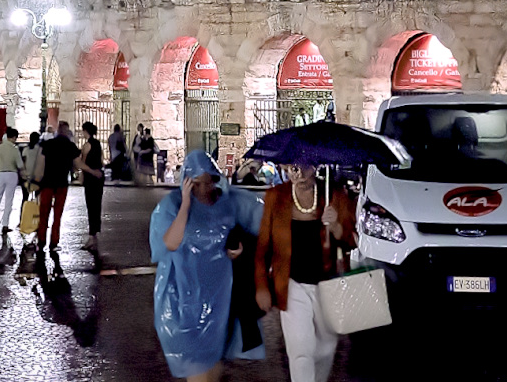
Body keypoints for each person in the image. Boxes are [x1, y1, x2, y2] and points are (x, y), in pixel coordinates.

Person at [150, 150, 266, 381]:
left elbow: (260, 225)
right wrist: (185, 205)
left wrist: (238, 250)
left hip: (219, 302)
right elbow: (170, 243)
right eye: (196, 183)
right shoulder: (171, 206)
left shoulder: (227, 204)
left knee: (212, 369)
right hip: (183, 301)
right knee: (199, 370)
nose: (204, 189)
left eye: (208, 182)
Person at [255, 163, 358, 382]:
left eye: (303, 166)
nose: (298, 173)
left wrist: (336, 226)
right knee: (300, 349)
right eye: (291, 167)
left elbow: (353, 241)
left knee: (325, 348)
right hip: (292, 284)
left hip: (327, 285)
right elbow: (263, 246)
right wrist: (262, 286)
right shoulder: (276, 196)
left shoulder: (334, 194)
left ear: (316, 165)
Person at [35, 122, 82, 251]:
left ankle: (41, 240)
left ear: (57, 131)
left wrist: (37, 181)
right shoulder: (70, 146)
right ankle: (54, 242)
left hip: (47, 183)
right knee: (57, 214)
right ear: (67, 131)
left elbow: (40, 165)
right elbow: (77, 165)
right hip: (61, 183)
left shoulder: (48, 145)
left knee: (44, 213)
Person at [75, 122, 106, 249]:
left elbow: (82, 163)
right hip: (99, 177)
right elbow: (101, 160)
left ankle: (92, 237)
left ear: (85, 131)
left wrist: (87, 172)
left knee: (91, 206)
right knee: (97, 206)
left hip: (91, 178)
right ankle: (94, 234)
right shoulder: (98, 144)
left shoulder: (86, 145)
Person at [0, 128, 23, 231]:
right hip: (12, 174)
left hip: (0, 174)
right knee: (9, 200)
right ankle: (5, 225)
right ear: (14, 137)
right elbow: (20, 165)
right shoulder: (14, 149)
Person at [20, 131, 43, 207]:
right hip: (37, 176)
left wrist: (23, 174)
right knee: (37, 198)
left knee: (25, 197)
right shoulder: (40, 150)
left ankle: (23, 215)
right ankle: (36, 214)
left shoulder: (25, 149)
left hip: (26, 176)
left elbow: (23, 162)